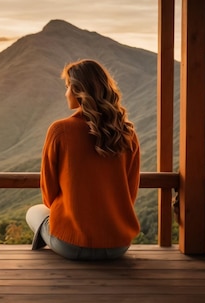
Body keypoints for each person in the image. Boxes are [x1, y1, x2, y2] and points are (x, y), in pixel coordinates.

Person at [26, 59, 140, 260]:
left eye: (68, 86)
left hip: (72, 245)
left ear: (79, 90)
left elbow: (49, 196)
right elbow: (129, 194)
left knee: (34, 212)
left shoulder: (60, 130)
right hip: (118, 246)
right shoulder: (127, 133)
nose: (66, 92)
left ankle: (51, 246)